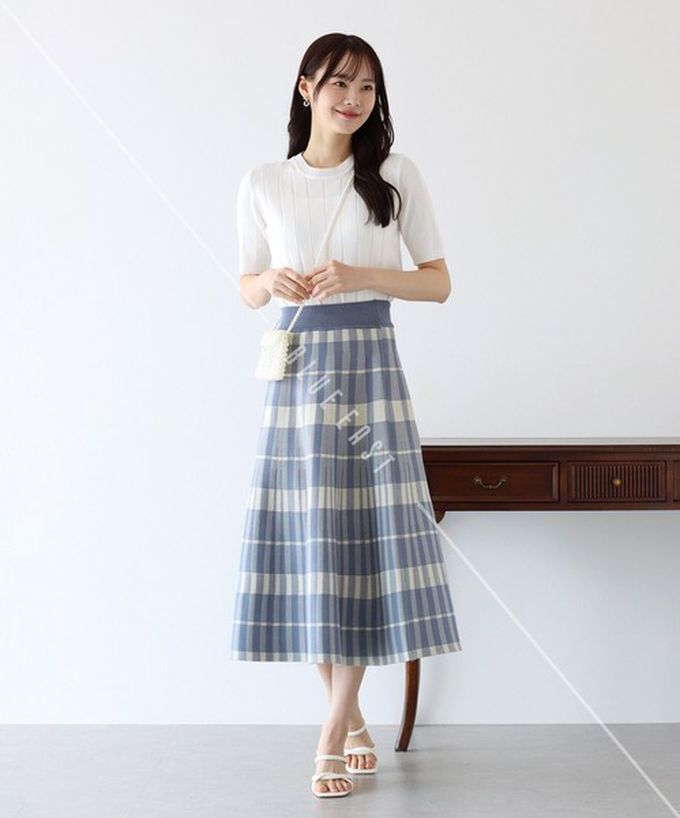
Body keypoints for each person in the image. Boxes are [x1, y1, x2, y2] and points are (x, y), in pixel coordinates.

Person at [231, 32, 463, 798]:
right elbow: (245, 287)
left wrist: (361, 274)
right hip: (297, 374)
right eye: (340, 83)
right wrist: (270, 281)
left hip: (370, 367)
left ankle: (330, 733)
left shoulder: (394, 176)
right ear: (306, 88)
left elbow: (438, 282)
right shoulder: (264, 182)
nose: (354, 99)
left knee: (362, 541)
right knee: (311, 545)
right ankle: (352, 718)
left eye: (367, 87)